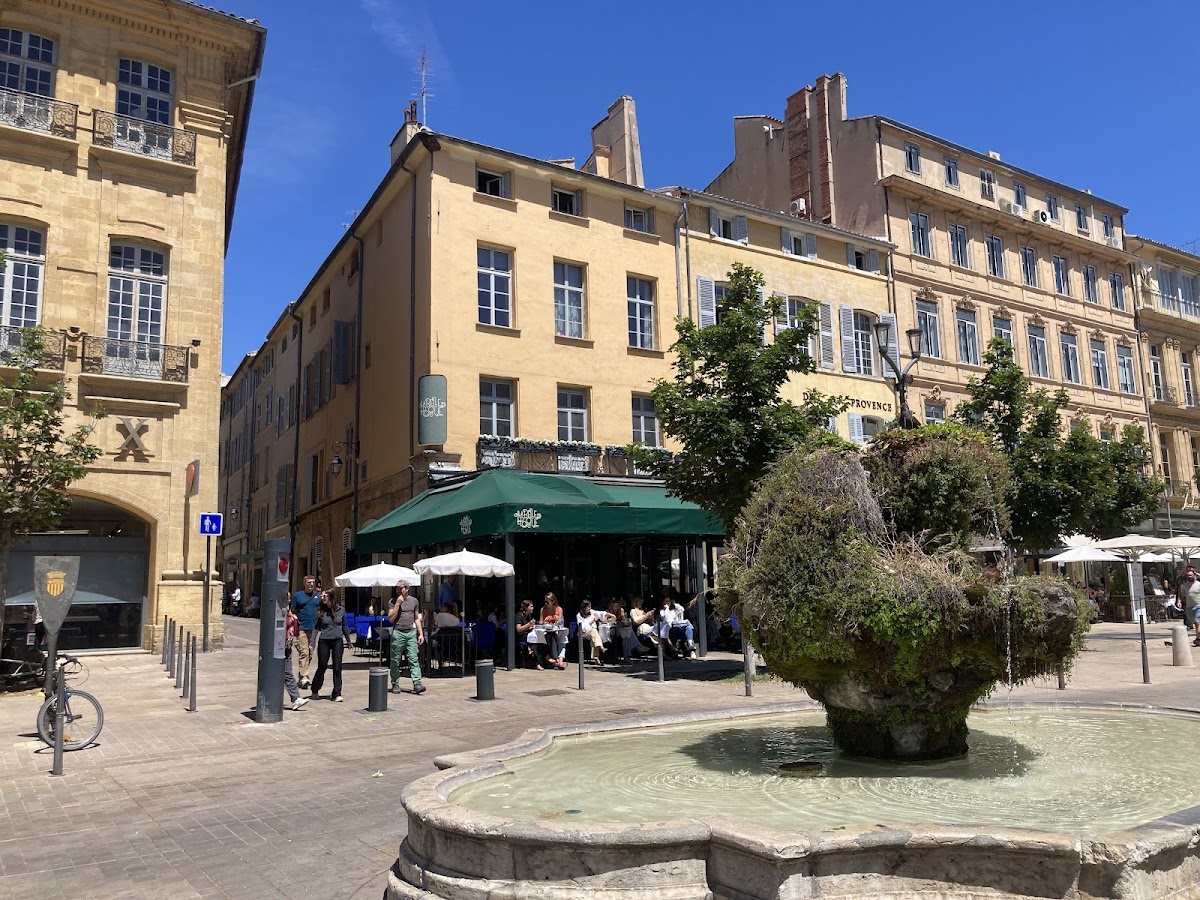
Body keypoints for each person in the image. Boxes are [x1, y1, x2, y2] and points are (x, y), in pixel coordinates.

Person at [310, 590, 349, 701]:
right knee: (322, 666)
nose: (322, 598)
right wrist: (312, 642)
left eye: (325, 596)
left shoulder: (341, 610)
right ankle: (315, 689)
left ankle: (337, 693)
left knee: (337, 667)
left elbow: (345, 626)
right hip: (324, 641)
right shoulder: (321, 610)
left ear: (331, 597)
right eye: (322, 596)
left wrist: (349, 641)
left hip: (337, 641)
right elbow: (316, 628)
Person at [388, 582, 426, 694]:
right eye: (397, 589)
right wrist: (398, 604)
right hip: (398, 632)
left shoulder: (414, 601)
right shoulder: (392, 601)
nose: (398, 591)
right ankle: (395, 683)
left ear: (407, 589)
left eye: (401, 589)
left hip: (410, 632)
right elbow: (391, 618)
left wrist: (420, 633)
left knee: (413, 658)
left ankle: (417, 683)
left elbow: (416, 618)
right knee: (395, 659)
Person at [289, 575, 322, 689]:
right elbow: (292, 610)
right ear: (304, 584)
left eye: (313, 582)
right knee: (304, 652)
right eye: (309, 582)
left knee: (310, 653)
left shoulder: (318, 597)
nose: (311, 584)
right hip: (301, 628)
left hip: (313, 629)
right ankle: (305, 677)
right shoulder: (298, 596)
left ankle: (301, 678)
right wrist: (294, 619)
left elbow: (322, 609)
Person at [657, 592, 696, 659]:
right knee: (677, 629)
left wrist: (674, 603)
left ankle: (691, 646)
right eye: (666, 601)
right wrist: (666, 608)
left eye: (669, 601)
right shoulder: (662, 611)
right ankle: (688, 648)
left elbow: (682, 609)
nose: (668, 602)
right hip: (670, 629)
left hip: (678, 627)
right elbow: (667, 620)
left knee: (688, 627)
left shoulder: (673, 610)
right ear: (663, 602)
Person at [283, 608, 308, 711]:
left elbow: (296, 630)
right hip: (279, 647)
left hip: (287, 647)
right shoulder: (278, 612)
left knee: (287, 672)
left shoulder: (289, 613)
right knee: (281, 673)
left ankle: (296, 698)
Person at [576, 600, 608, 665]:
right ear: (584, 607)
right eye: (588, 607)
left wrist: (608, 614)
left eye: (590, 607)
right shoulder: (579, 615)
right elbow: (583, 627)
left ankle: (596, 658)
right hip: (584, 633)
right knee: (595, 632)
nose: (590, 608)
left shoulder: (592, 612)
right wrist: (593, 621)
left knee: (594, 637)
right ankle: (601, 648)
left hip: (592, 632)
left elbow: (600, 613)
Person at [540, 592, 567, 670]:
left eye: (547, 602)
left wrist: (557, 620)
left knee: (563, 640)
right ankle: (557, 660)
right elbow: (541, 622)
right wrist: (545, 621)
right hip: (547, 631)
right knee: (552, 637)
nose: (546, 604)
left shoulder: (559, 609)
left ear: (553, 602)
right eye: (545, 602)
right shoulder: (543, 610)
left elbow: (561, 622)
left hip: (557, 630)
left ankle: (560, 660)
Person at [515, 599, 539, 668]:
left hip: (527, 634)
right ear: (526, 607)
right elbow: (519, 629)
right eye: (531, 607)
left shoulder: (528, 616)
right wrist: (529, 624)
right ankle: (537, 662)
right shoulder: (519, 616)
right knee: (534, 640)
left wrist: (531, 627)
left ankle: (542, 660)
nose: (532, 608)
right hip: (520, 636)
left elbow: (527, 628)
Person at [1182, 565, 1200, 647]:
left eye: (1191, 575)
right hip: (1189, 607)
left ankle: (1198, 639)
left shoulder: (1198, 584)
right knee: (1195, 623)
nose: (1189, 577)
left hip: (1198, 605)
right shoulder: (1185, 585)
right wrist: (1178, 601)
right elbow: (1182, 594)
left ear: (1194, 575)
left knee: (1197, 622)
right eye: (1188, 575)